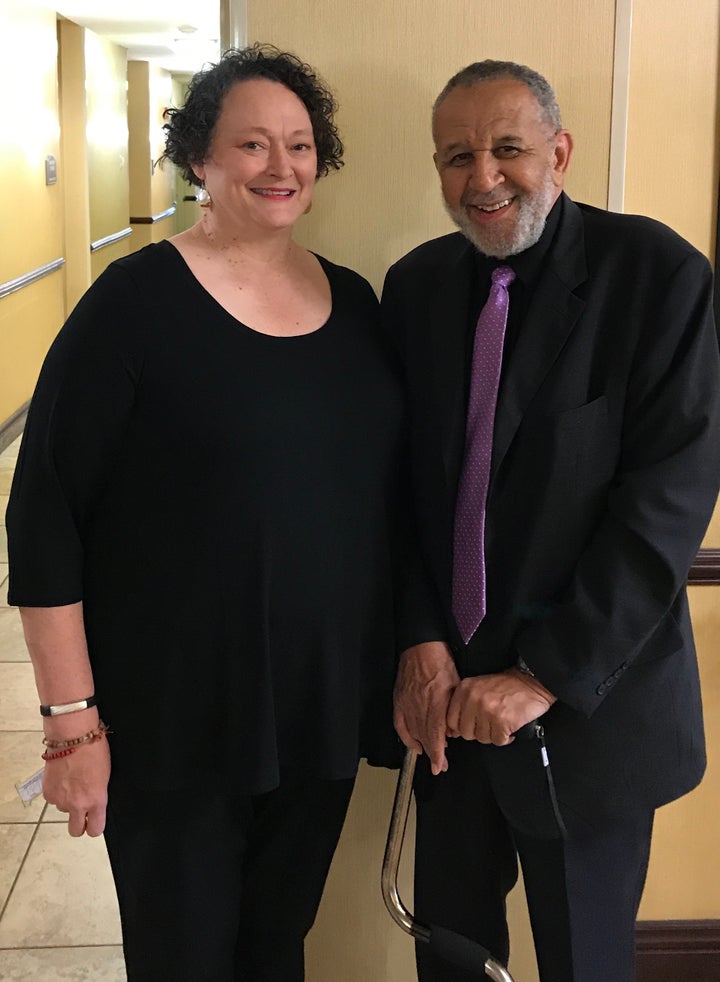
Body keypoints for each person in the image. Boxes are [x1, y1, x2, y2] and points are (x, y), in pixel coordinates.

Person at [7, 44, 403, 982]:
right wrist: (72, 728)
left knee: (276, 948)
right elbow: (45, 517)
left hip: (317, 709)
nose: (281, 166)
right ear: (201, 161)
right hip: (173, 717)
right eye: (253, 144)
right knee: (183, 957)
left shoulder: (353, 303)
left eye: (300, 145)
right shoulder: (132, 307)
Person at [382, 59, 720, 982]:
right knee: (450, 958)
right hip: (448, 715)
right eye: (457, 156)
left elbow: (668, 505)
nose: (481, 177)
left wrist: (541, 675)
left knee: (585, 964)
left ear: (561, 153)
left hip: (589, 716)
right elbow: (400, 494)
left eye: (507, 149)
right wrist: (418, 640)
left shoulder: (658, 276)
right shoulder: (413, 291)